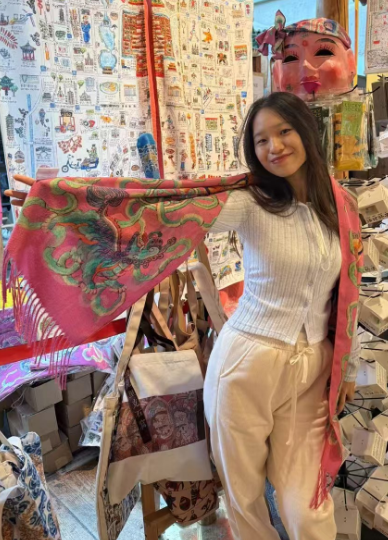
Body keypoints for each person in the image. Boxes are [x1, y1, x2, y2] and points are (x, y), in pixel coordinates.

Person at [6, 92, 361, 540]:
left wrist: (348, 366)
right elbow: (156, 209)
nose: (274, 147)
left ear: (306, 130)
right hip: (247, 367)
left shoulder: (340, 207)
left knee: (306, 506)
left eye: (284, 131)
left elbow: (351, 292)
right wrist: (57, 203)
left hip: (312, 371)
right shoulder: (250, 203)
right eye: (261, 140)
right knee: (246, 499)